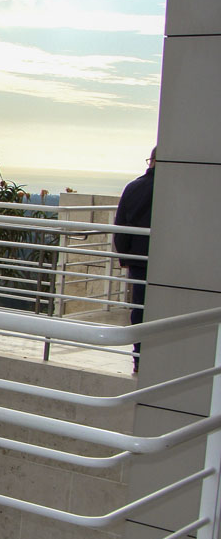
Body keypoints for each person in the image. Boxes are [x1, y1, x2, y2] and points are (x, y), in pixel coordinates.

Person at [113, 147, 155, 372]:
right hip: (168, 260)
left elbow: (121, 227)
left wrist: (125, 256)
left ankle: (139, 357)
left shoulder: (133, 187)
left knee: (140, 308)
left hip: (139, 259)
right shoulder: (176, 188)